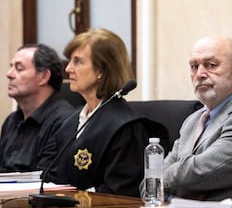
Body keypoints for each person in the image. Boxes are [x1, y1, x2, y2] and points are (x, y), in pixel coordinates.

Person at [159, 36, 232, 202]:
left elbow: (198, 173)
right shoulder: (192, 120)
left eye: (211, 65)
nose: (200, 74)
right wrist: (171, 181)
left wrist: (164, 180)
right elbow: (151, 182)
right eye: (194, 66)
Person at [50, 28, 155, 197]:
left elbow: (120, 193)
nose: (68, 68)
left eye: (78, 62)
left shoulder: (126, 128)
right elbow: (53, 178)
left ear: (101, 71)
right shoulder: (70, 123)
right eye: (69, 61)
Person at [0, 43, 74, 172]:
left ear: (44, 77)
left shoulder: (64, 122)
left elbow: (45, 181)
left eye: (19, 68)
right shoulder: (11, 120)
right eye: (11, 67)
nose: (9, 74)